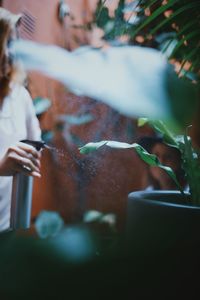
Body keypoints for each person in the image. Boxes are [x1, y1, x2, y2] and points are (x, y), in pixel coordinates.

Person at [0, 8, 41, 231]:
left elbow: (35, 142)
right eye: (4, 43)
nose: (9, 53)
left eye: (12, 44)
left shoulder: (20, 96)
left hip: (6, 226)